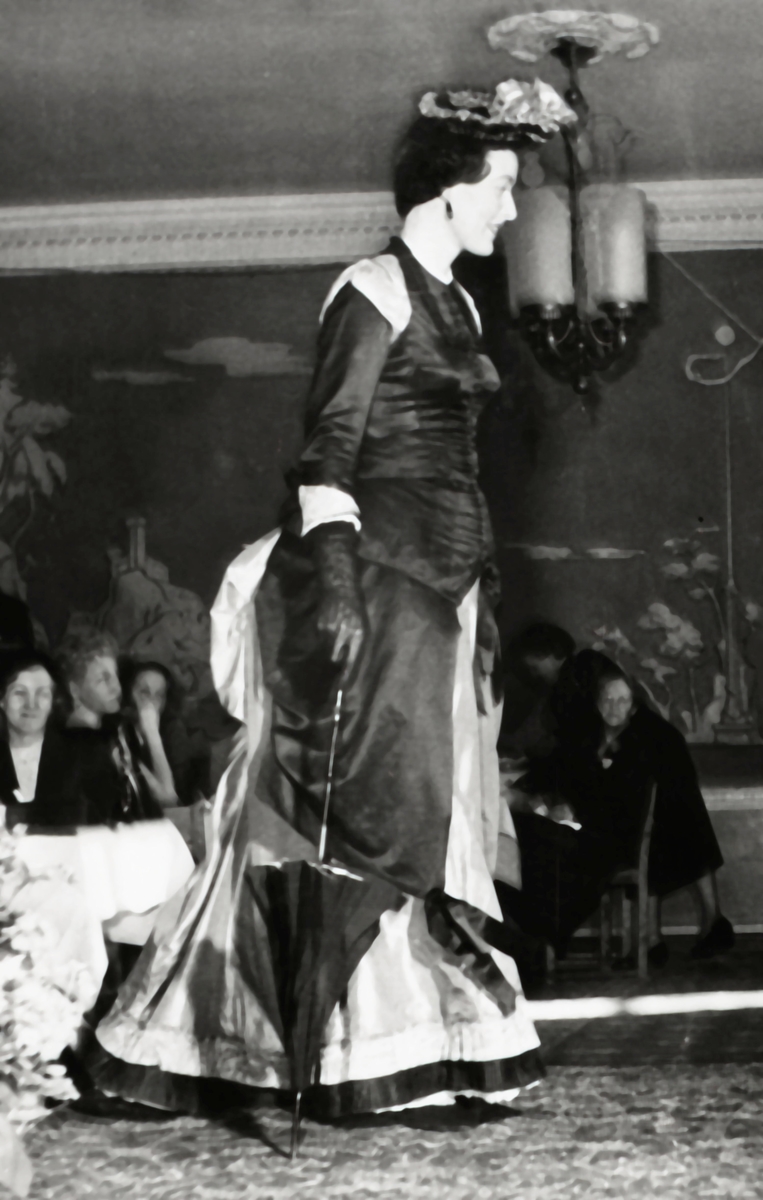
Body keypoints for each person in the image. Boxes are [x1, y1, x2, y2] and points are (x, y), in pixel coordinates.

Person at [89, 78, 576, 1125]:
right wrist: (342, 587)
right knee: (369, 809)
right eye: (499, 187)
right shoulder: (373, 288)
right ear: (446, 189)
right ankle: (313, 1045)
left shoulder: (456, 303)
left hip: (444, 591)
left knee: (428, 807)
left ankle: (427, 1043)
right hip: (380, 580)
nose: (510, 209)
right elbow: (328, 453)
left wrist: (474, 593)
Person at [501, 651, 733, 964]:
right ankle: (664, 936)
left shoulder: (628, 729)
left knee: (575, 847)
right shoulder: (637, 725)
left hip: (632, 828)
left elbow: (582, 775)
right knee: (652, 833)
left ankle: (647, 940)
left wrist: (540, 790)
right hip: (645, 821)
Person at [57, 632, 165, 825]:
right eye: (103, 679)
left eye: (115, 675)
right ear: (75, 690)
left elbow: (162, 798)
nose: (116, 687)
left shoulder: (112, 733)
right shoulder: (78, 747)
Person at [0, 648, 77, 830]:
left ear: (54, 702)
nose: (31, 704)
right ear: (2, 699)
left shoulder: (80, 755)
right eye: (20, 693)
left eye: (42, 694)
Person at [119, 659, 203, 806]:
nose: (151, 702)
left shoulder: (173, 729)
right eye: (144, 692)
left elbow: (174, 798)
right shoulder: (119, 732)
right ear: (129, 693)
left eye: (159, 695)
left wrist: (152, 734)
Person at [499, 622, 576, 758]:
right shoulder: (549, 690)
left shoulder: (572, 689)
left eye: (534, 668)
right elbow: (525, 736)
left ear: (550, 655)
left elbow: (529, 742)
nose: (533, 675)